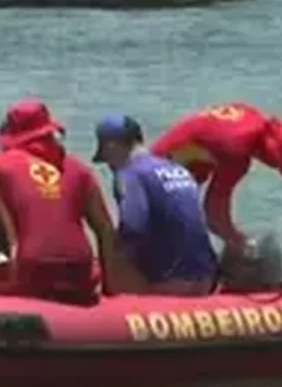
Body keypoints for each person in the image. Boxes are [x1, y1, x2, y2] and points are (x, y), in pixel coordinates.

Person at [0, 99, 115, 303]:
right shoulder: (80, 170)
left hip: (29, 272)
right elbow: (105, 229)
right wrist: (109, 288)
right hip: (79, 271)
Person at [149, 102, 282, 258]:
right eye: (279, 166)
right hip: (153, 176)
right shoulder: (236, 154)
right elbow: (215, 218)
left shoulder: (251, 116)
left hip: (165, 161)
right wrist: (246, 245)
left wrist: (233, 236)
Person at [91, 113, 217, 296]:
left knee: (115, 246)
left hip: (170, 282)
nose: (110, 167)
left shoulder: (130, 173)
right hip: (206, 278)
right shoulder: (178, 169)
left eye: (107, 159)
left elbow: (133, 227)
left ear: (112, 147)